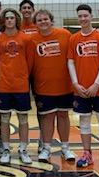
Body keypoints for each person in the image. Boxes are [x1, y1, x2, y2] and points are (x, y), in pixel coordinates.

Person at [67, 4, 99, 170]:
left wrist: (96, 84)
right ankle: (86, 153)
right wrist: (75, 83)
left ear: (91, 16)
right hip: (81, 88)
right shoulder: (73, 39)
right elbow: (70, 62)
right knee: (84, 120)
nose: (83, 19)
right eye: (80, 16)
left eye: (85, 16)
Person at [28, 9, 75, 163]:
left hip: (64, 85)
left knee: (63, 116)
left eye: (45, 19)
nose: (43, 22)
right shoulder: (32, 39)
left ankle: (65, 148)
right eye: (40, 20)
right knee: (47, 117)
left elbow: (73, 59)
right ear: (35, 24)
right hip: (43, 86)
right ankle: (46, 148)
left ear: (51, 20)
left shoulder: (65, 35)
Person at [0, 8, 33, 164]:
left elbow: (30, 62)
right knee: (4, 118)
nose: (9, 20)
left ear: (16, 20)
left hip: (21, 86)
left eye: (12, 18)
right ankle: (6, 149)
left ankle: (23, 149)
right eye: (7, 18)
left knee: (23, 118)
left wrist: (21, 75)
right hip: (3, 86)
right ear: (3, 21)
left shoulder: (26, 39)